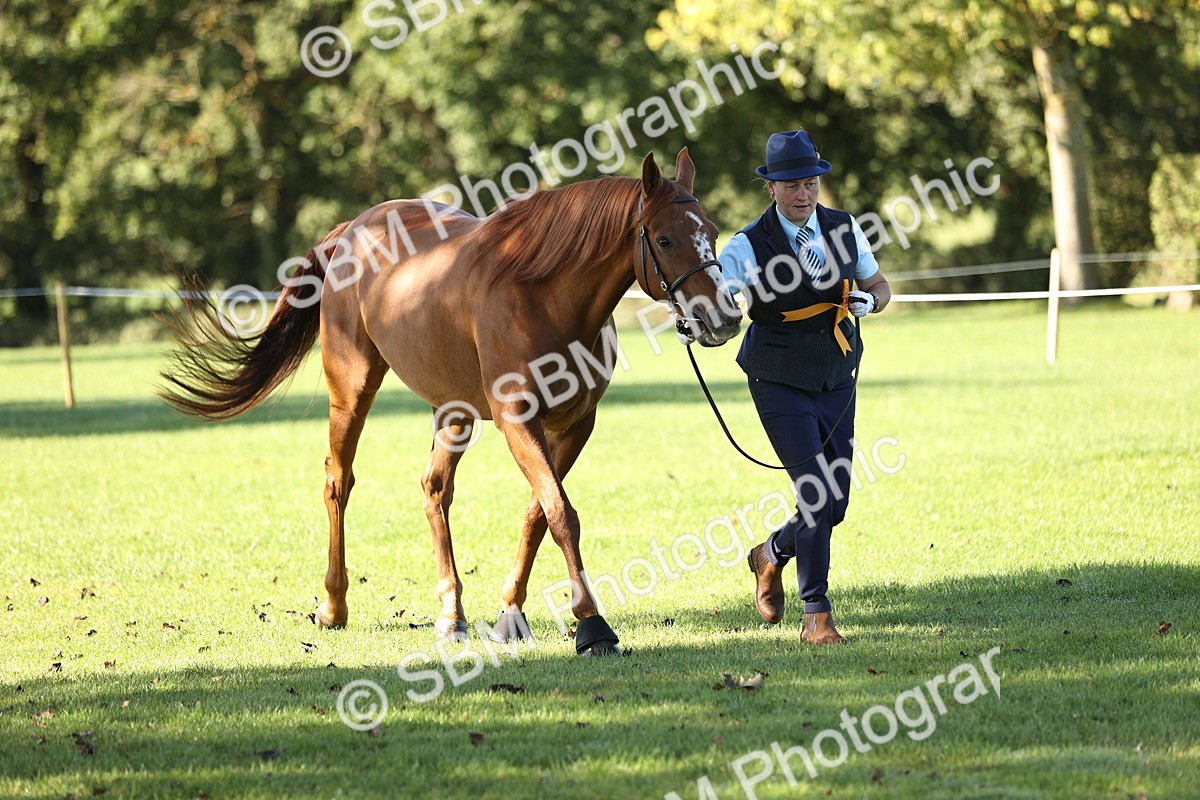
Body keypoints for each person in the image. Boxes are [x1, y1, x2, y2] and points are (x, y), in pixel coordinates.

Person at [716, 129, 890, 644]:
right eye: (791, 184)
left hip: (836, 372)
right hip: (777, 376)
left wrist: (870, 302)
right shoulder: (746, 245)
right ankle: (817, 616)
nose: (803, 193)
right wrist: (699, 318)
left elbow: (879, 284)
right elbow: (721, 302)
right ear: (771, 188)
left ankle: (769, 554)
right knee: (816, 494)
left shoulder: (843, 227)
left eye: (810, 182)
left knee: (835, 504)